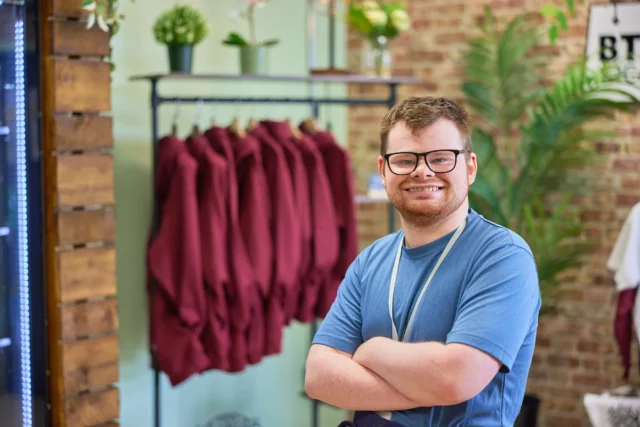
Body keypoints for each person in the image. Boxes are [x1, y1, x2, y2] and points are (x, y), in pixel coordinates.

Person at [304, 96, 541, 426]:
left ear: (469, 167)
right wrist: (431, 388)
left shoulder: (502, 257)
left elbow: (456, 378)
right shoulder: (369, 261)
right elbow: (318, 376)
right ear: (383, 171)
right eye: (404, 160)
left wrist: (371, 351)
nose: (422, 171)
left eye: (441, 158)